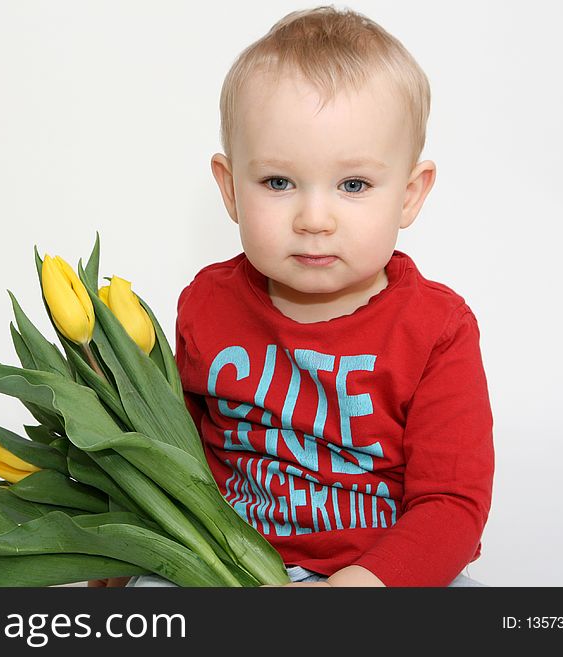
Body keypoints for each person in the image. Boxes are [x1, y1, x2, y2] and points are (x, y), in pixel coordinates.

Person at [93, 4, 495, 588]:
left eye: (353, 185)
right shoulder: (208, 304)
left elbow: (453, 504)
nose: (313, 218)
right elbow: (172, 453)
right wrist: (126, 537)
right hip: (225, 566)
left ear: (409, 195)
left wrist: (369, 582)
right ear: (230, 189)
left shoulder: (437, 329)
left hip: (382, 572)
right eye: (278, 183)